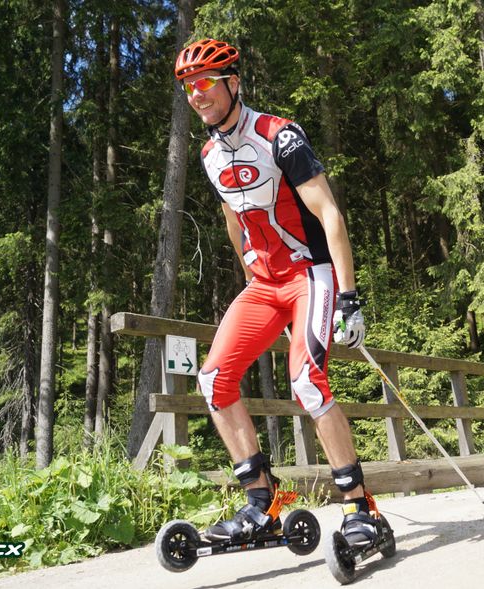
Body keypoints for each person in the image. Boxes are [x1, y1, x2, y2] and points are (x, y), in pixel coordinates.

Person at [173, 39, 377, 547]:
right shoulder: (207, 153)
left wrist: (349, 297)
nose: (197, 95)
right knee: (214, 378)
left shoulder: (279, 136)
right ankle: (264, 504)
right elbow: (231, 217)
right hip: (264, 283)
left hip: (311, 275)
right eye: (187, 87)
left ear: (232, 83)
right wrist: (248, 265)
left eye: (205, 83)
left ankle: (360, 507)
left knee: (307, 383)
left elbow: (329, 213)